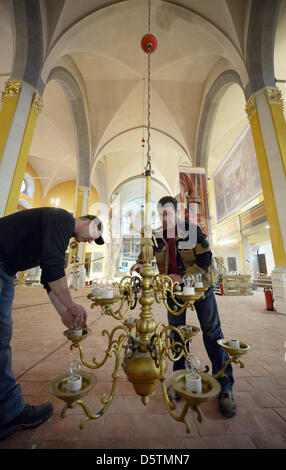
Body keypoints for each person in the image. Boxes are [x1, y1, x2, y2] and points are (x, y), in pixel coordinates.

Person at [0, 207, 104, 441]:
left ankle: (9, 411)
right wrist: (72, 305)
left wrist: (63, 313)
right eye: (93, 232)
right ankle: (9, 410)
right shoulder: (62, 219)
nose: (90, 240)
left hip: (6, 270)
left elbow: (48, 278)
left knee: (1, 338)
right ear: (87, 220)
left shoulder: (61, 236)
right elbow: (53, 265)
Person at [132, 196, 236, 418]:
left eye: (168, 214)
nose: (164, 218)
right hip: (173, 292)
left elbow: (206, 259)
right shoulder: (156, 235)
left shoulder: (191, 230)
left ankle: (225, 385)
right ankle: (179, 380)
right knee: (176, 335)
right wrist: (140, 264)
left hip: (200, 289)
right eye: (161, 214)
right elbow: (145, 258)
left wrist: (183, 276)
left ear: (177, 213)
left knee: (212, 332)